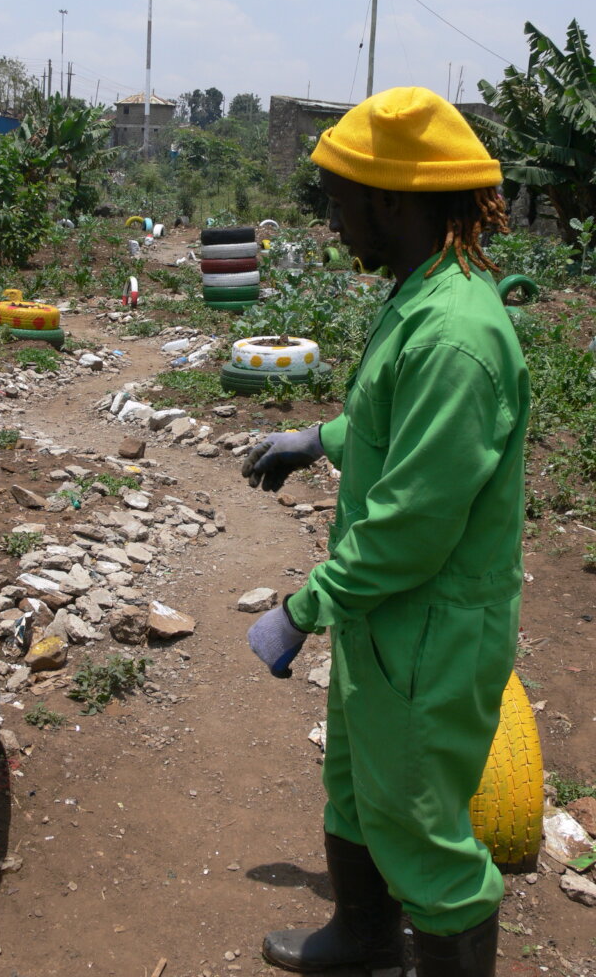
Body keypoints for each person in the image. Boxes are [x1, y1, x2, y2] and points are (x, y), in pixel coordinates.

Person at [241, 87, 530, 977]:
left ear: (394, 199)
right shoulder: (421, 294)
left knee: (416, 814)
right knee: (361, 785)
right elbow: (391, 427)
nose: (333, 220)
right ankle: (364, 938)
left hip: (428, 620)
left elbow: (411, 525)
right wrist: (316, 440)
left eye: (340, 199)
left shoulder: (455, 335)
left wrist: (306, 605)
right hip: (391, 618)